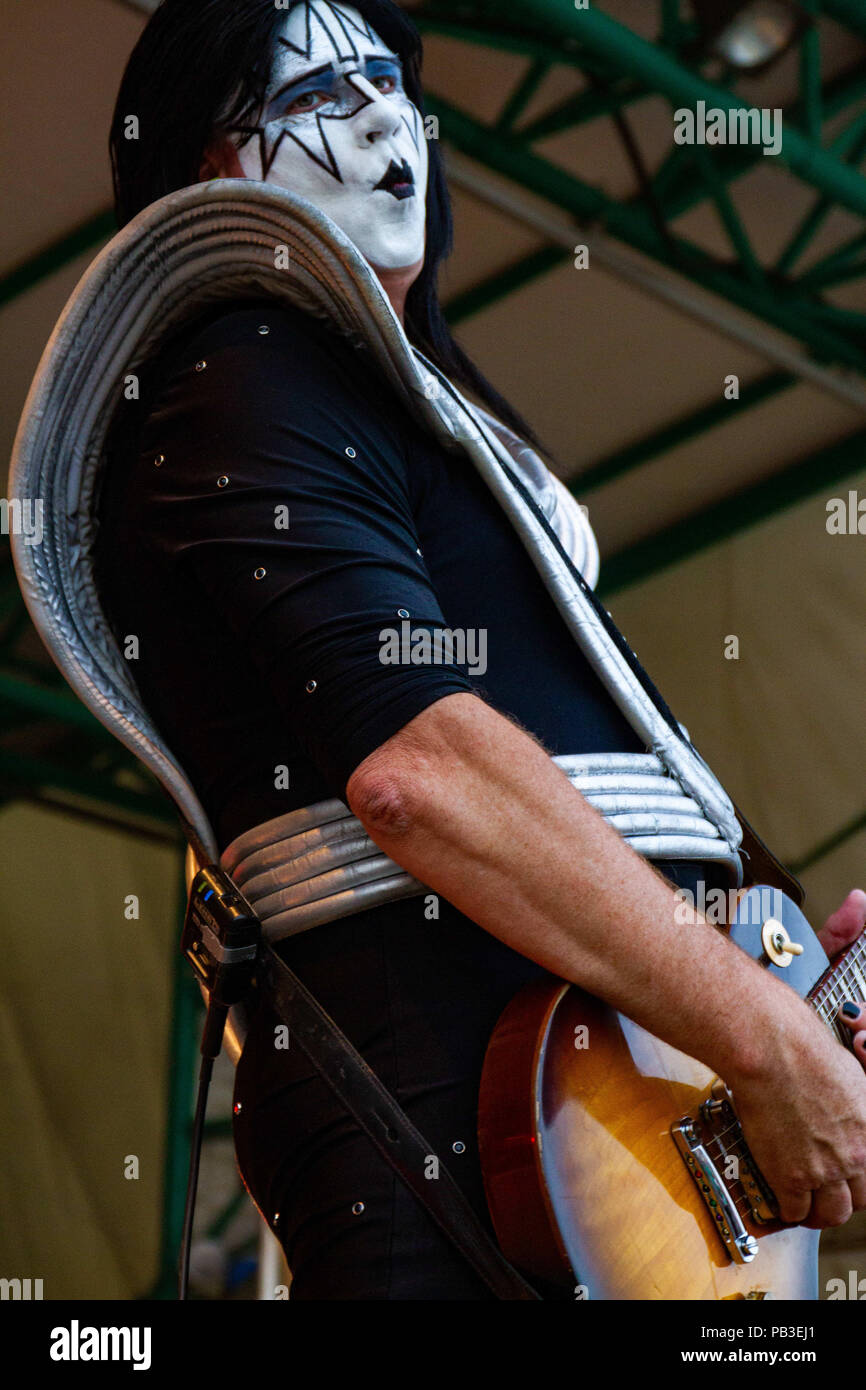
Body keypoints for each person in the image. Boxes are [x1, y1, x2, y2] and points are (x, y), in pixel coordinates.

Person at [98, 0, 866, 1300]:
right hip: (439, 1122)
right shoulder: (242, 366)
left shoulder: (378, 409)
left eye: (388, 77)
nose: (384, 112)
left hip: (579, 1136)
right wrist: (763, 1040)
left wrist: (798, 995)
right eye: (316, 93)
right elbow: (418, 774)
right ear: (212, 170)